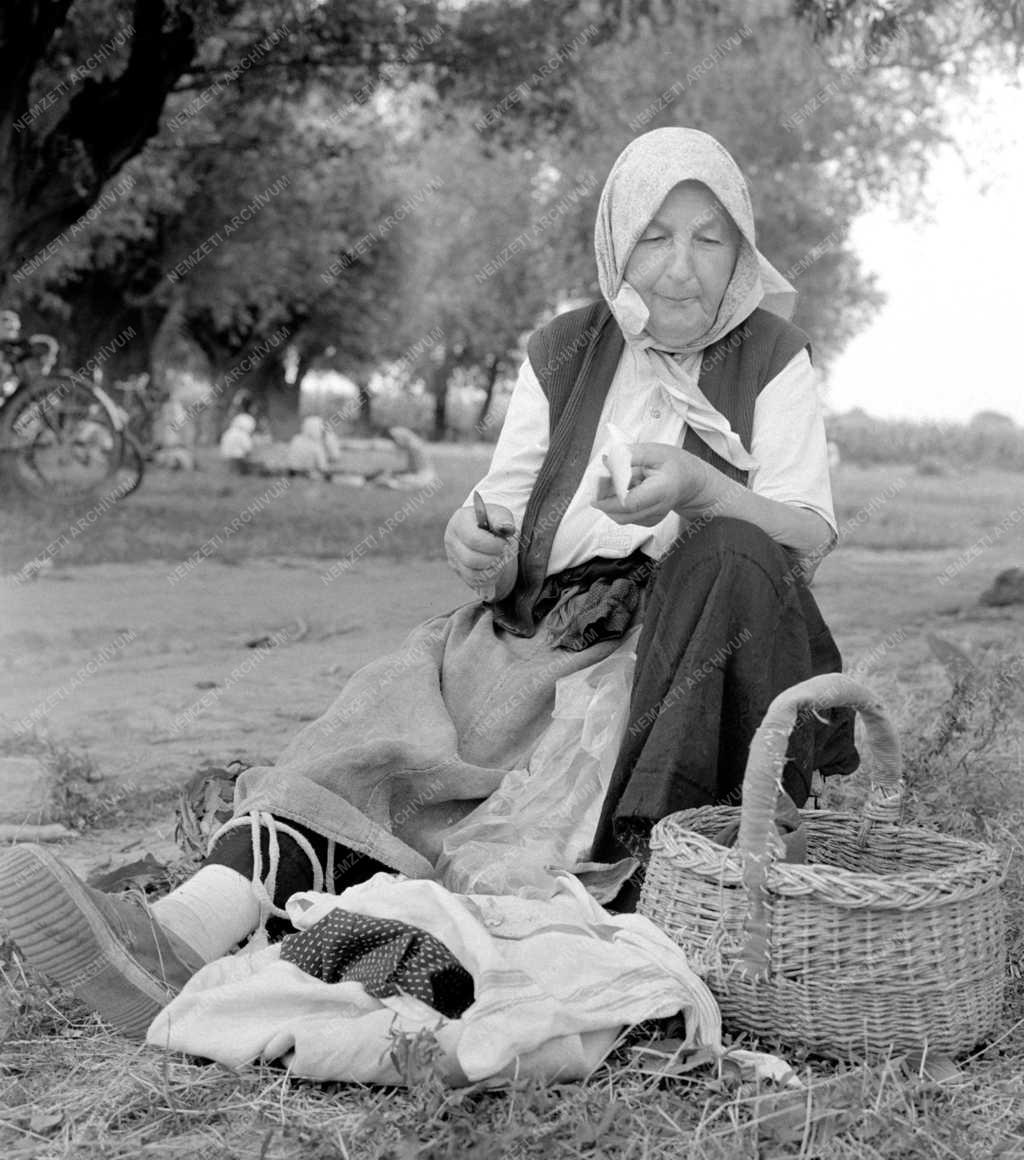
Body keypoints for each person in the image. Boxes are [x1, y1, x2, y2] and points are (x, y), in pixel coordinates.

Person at [0, 127, 857, 1040]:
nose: (681, 267)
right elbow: (497, 506)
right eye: (655, 235)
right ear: (615, 241)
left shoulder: (773, 354)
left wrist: (704, 489)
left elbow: (804, 537)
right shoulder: (566, 348)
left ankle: (653, 881)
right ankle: (179, 932)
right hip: (546, 632)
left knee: (730, 551)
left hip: (686, 657)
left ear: (743, 248)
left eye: (708, 238)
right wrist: (476, 543)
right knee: (385, 722)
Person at [285, 415, 335, 480]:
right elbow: (323, 466)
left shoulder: (296, 439)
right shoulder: (316, 445)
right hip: (307, 474)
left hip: (291, 473)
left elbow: (290, 460)